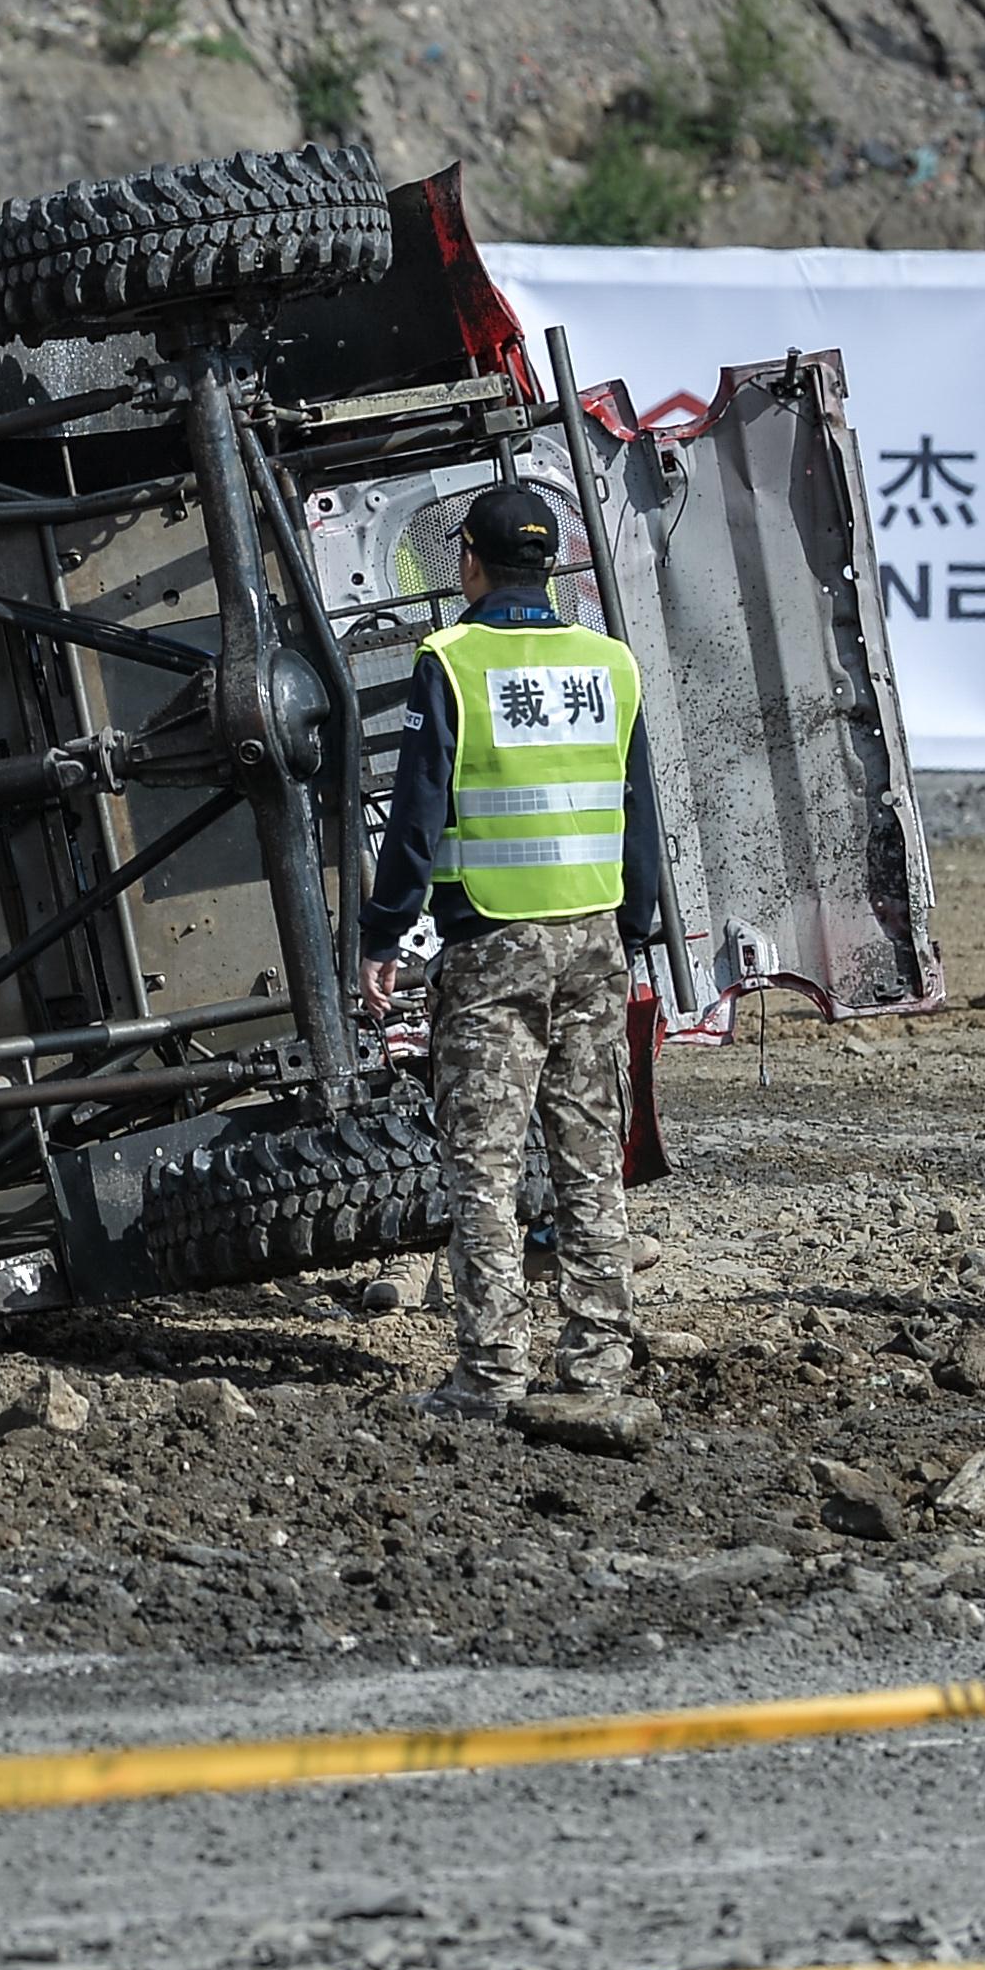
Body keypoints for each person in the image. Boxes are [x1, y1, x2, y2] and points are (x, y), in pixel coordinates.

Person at [360, 479, 668, 1411]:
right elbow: (637, 814)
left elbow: (416, 819)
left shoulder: (450, 662)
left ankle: (492, 1372)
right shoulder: (610, 665)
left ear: (468, 562)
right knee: (589, 1157)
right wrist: (637, 922)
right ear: (549, 563)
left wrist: (382, 933)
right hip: (593, 941)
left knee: (485, 1166)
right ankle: (598, 1365)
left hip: (493, 948)